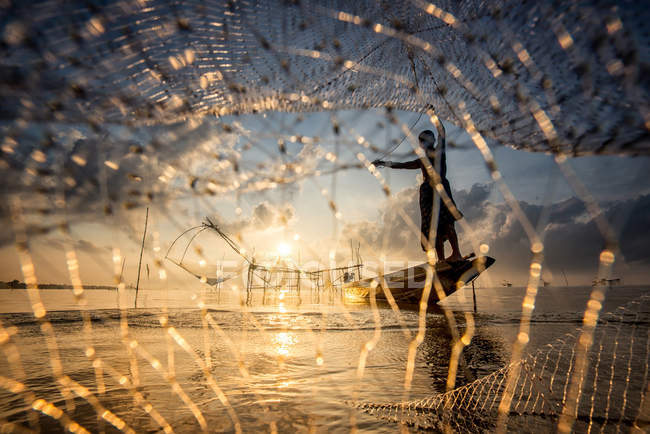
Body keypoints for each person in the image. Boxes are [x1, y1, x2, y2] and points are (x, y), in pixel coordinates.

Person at [373, 121, 464, 264]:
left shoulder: (439, 151)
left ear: (432, 141)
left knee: (446, 221)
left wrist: (433, 116)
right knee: (433, 228)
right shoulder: (421, 161)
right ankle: (441, 260)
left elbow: (442, 134)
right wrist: (383, 163)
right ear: (420, 144)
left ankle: (456, 254)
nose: (424, 142)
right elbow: (402, 166)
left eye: (427, 139)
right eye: (422, 140)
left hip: (440, 188)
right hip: (427, 193)